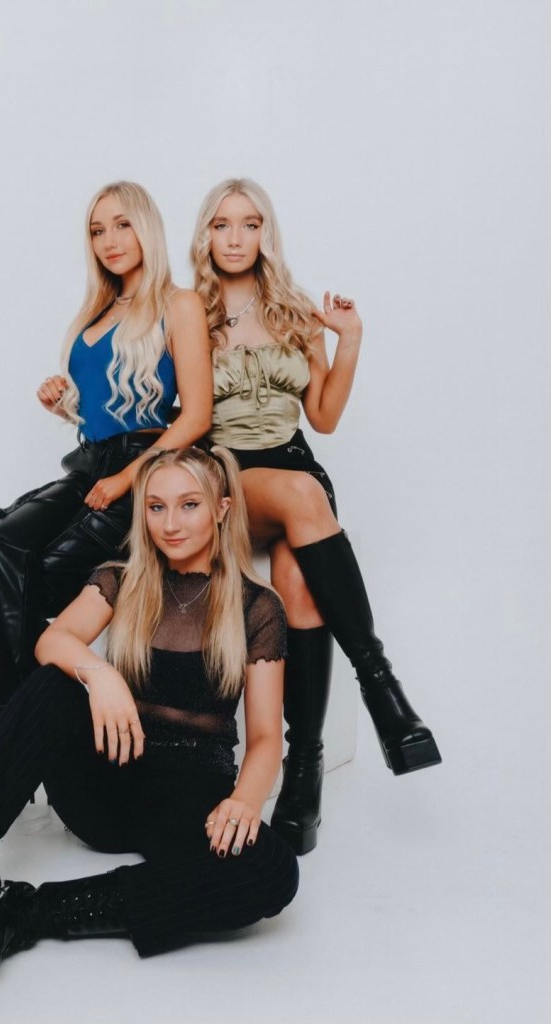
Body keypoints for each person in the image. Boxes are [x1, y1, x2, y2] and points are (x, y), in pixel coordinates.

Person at [0, 447, 298, 998]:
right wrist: (101, 674)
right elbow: (53, 640)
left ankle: (19, 911)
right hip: (109, 785)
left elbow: (265, 738)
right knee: (53, 684)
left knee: (273, 872)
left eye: (189, 505)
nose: (170, 523)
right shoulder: (121, 579)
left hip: (192, 806)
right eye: (156, 506)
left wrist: (245, 802)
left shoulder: (256, 607)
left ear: (222, 508)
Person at [191, 178, 441, 856]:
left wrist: (350, 338)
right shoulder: (188, 311)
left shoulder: (293, 309)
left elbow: (323, 417)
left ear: (265, 234)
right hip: (226, 475)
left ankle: (303, 768)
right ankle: (382, 688)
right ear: (205, 235)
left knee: (300, 582)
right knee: (307, 497)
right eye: (222, 224)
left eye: (250, 224)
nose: (236, 238)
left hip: (293, 467)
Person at [0, 181, 212, 725]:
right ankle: (10, 723)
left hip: (145, 469)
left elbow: (197, 416)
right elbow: (100, 409)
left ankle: (11, 733)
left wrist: (129, 479)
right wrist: (62, 403)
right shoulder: (95, 312)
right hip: (88, 466)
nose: (110, 240)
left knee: (35, 577)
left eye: (122, 225)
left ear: (146, 227)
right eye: (97, 230)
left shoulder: (179, 304)